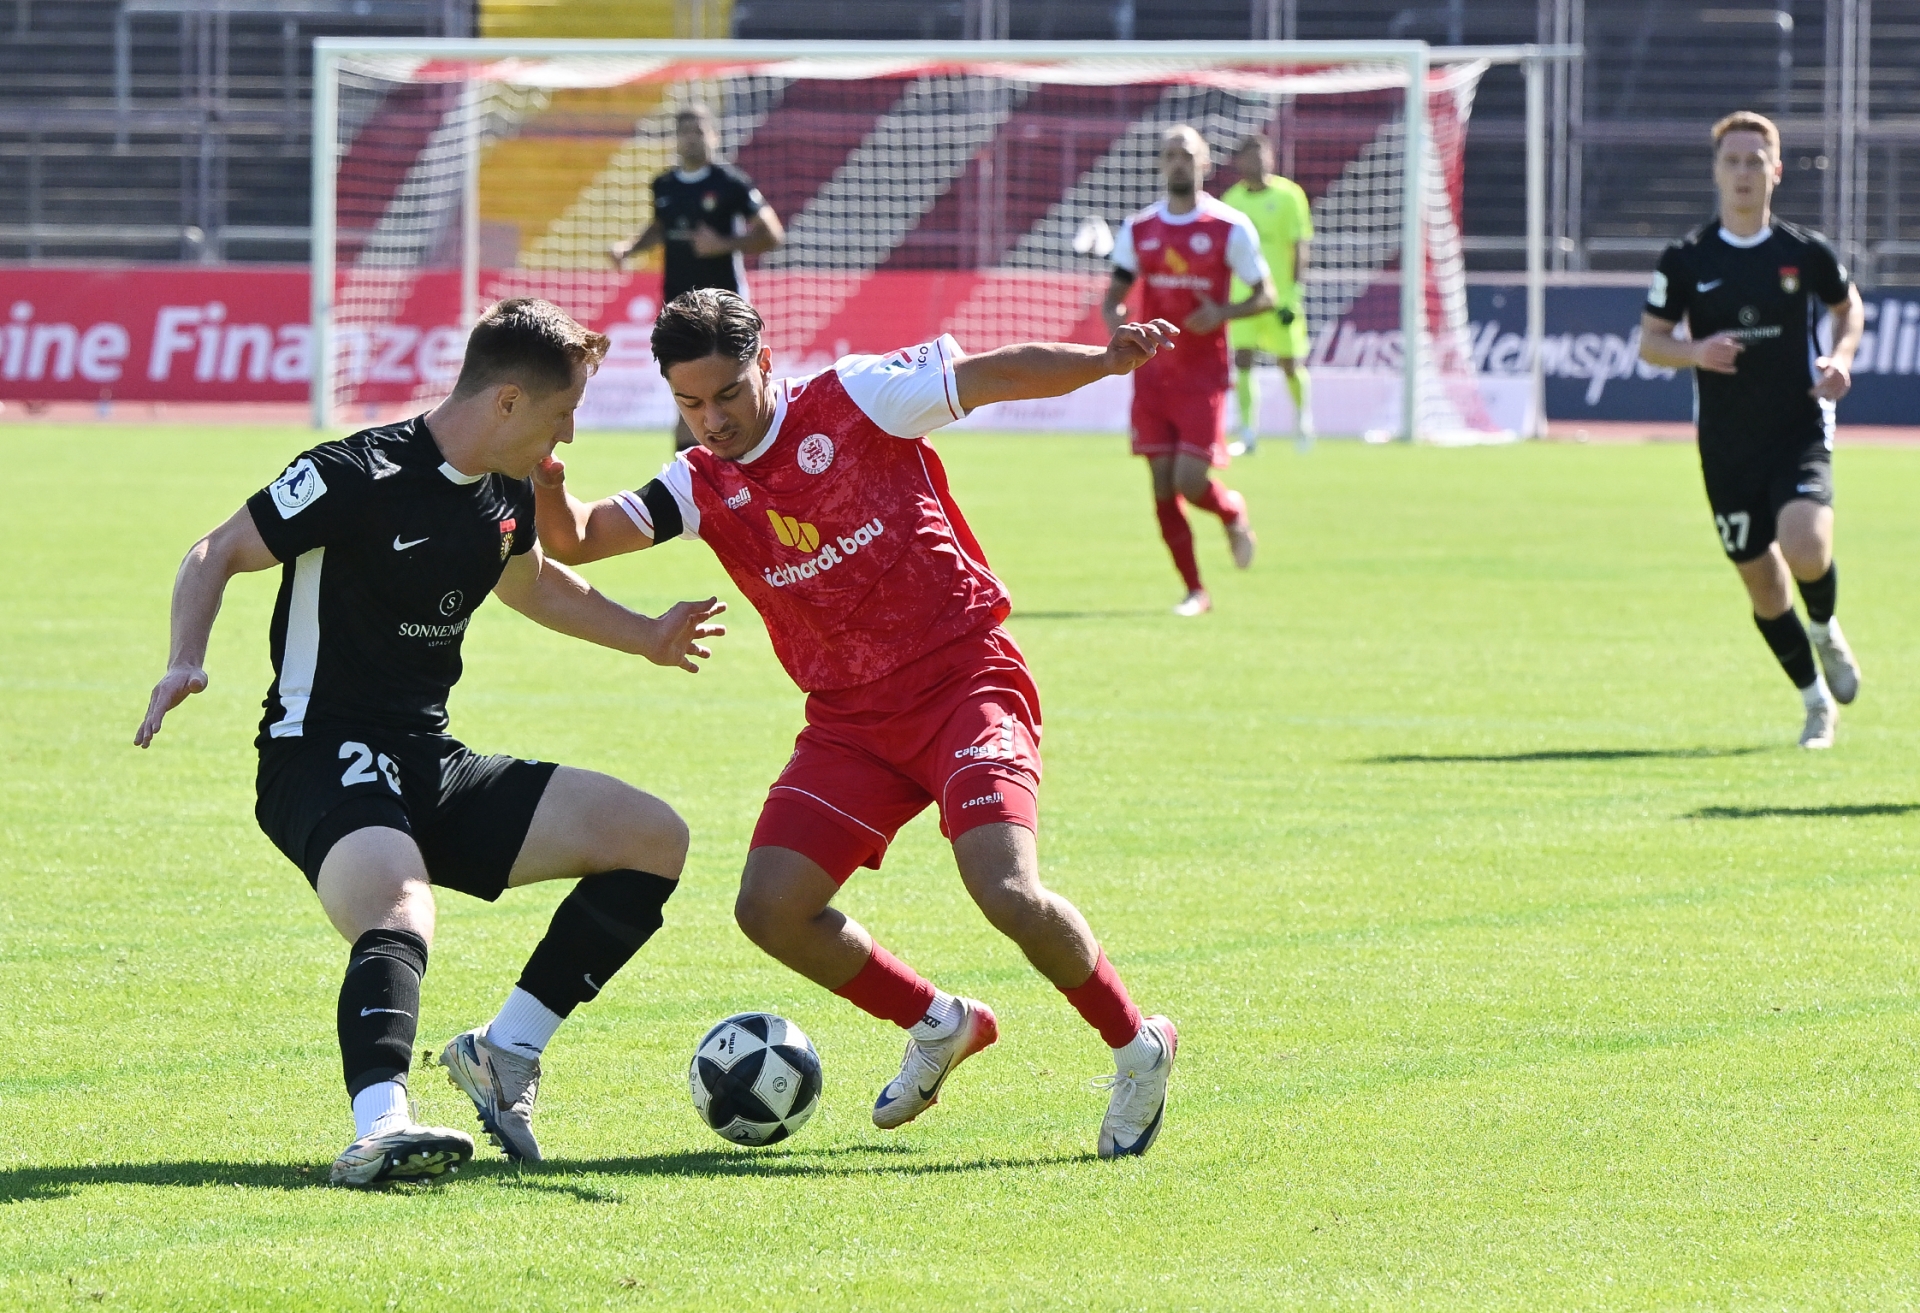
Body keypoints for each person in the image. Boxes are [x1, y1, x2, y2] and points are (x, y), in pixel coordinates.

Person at [533, 288, 1181, 1159]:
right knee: (771, 908)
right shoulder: (696, 481)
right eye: (689, 403)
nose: (711, 420)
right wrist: (544, 474)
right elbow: (576, 538)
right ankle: (940, 1021)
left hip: (964, 681)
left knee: (1006, 889)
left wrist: (1102, 362)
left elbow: (992, 375)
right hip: (851, 723)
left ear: (765, 364)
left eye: (726, 394)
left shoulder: (858, 397)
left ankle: (1139, 1047)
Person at [133, 299, 727, 1186]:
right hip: (317, 751)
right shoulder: (353, 473)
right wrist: (186, 657)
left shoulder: (507, 488)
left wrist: (645, 635)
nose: (568, 435)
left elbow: (533, 585)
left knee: (651, 838)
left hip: (427, 759)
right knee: (399, 907)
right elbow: (213, 550)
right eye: (563, 412)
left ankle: (505, 1052)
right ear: (508, 401)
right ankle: (380, 1126)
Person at [1639, 111, 1864, 749]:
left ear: (1776, 171)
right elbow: (1651, 342)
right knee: (1763, 586)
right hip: (1727, 446)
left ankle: (1824, 629)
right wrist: (1695, 351)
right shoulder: (1686, 259)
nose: (1743, 173)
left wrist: (1840, 359)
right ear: (1716, 172)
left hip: (1797, 427)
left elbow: (1848, 309)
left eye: (1755, 162)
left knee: (1806, 547)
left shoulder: (1804, 251)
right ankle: (1816, 704)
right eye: (1732, 161)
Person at [1102, 125, 1277, 617]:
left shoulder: (1229, 226)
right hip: (1153, 376)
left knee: (1189, 480)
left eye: (1187, 155)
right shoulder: (1139, 229)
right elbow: (1114, 299)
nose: (1178, 162)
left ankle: (1230, 511)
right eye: (1170, 155)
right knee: (1161, 487)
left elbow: (1265, 295)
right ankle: (1195, 591)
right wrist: (1119, 330)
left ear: (1204, 163)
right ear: (1162, 165)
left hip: (1202, 377)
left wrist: (1222, 313)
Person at [609, 104, 786, 454]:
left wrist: (724, 244)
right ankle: (690, 471)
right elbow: (660, 227)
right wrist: (630, 248)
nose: (691, 139)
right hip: (678, 307)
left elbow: (772, 234)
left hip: (726, 307)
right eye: (685, 132)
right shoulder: (664, 185)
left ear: (713, 137)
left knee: (736, 385)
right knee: (687, 391)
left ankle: (758, 454)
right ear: (676, 138)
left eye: (699, 132)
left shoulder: (731, 183)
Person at [1218, 133, 1314, 455]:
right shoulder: (1231, 201)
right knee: (1243, 360)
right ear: (1239, 162)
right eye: (1251, 156)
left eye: (1263, 156)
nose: (1258, 162)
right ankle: (1247, 433)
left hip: (1281, 298)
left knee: (1290, 363)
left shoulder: (1290, 196)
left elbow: (1299, 246)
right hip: (1243, 299)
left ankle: (1302, 421)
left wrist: (1293, 294)